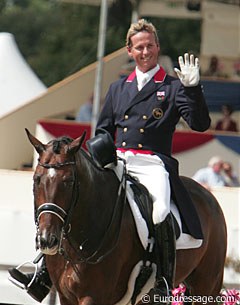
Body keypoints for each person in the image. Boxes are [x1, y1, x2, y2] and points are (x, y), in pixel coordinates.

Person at [8, 19, 211, 301]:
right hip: (118, 160)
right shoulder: (118, 88)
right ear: (130, 50)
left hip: (153, 164)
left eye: (150, 46)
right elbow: (103, 128)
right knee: (76, 200)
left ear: (157, 47)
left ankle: (163, 279)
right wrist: (101, 152)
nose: (145, 51)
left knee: (160, 210)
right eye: (139, 47)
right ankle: (43, 269)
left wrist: (193, 89)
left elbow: (200, 124)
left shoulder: (172, 86)